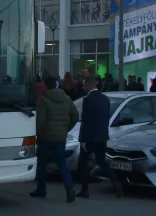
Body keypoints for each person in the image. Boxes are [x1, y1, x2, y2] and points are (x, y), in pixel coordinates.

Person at [30, 75, 79, 203]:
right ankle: (69, 188)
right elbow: (75, 115)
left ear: (46, 86)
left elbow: (40, 121)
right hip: (60, 138)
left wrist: (38, 134)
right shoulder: (67, 99)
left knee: (42, 164)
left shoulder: (44, 100)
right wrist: (66, 128)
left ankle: (41, 189)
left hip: (45, 137)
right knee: (62, 164)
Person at [76, 76, 123, 198]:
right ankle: (115, 182)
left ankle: (85, 189)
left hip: (90, 137)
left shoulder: (87, 100)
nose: (83, 87)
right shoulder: (105, 99)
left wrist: (83, 140)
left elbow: (86, 121)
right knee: (102, 161)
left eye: (84, 84)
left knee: (83, 163)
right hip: (101, 136)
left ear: (89, 85)